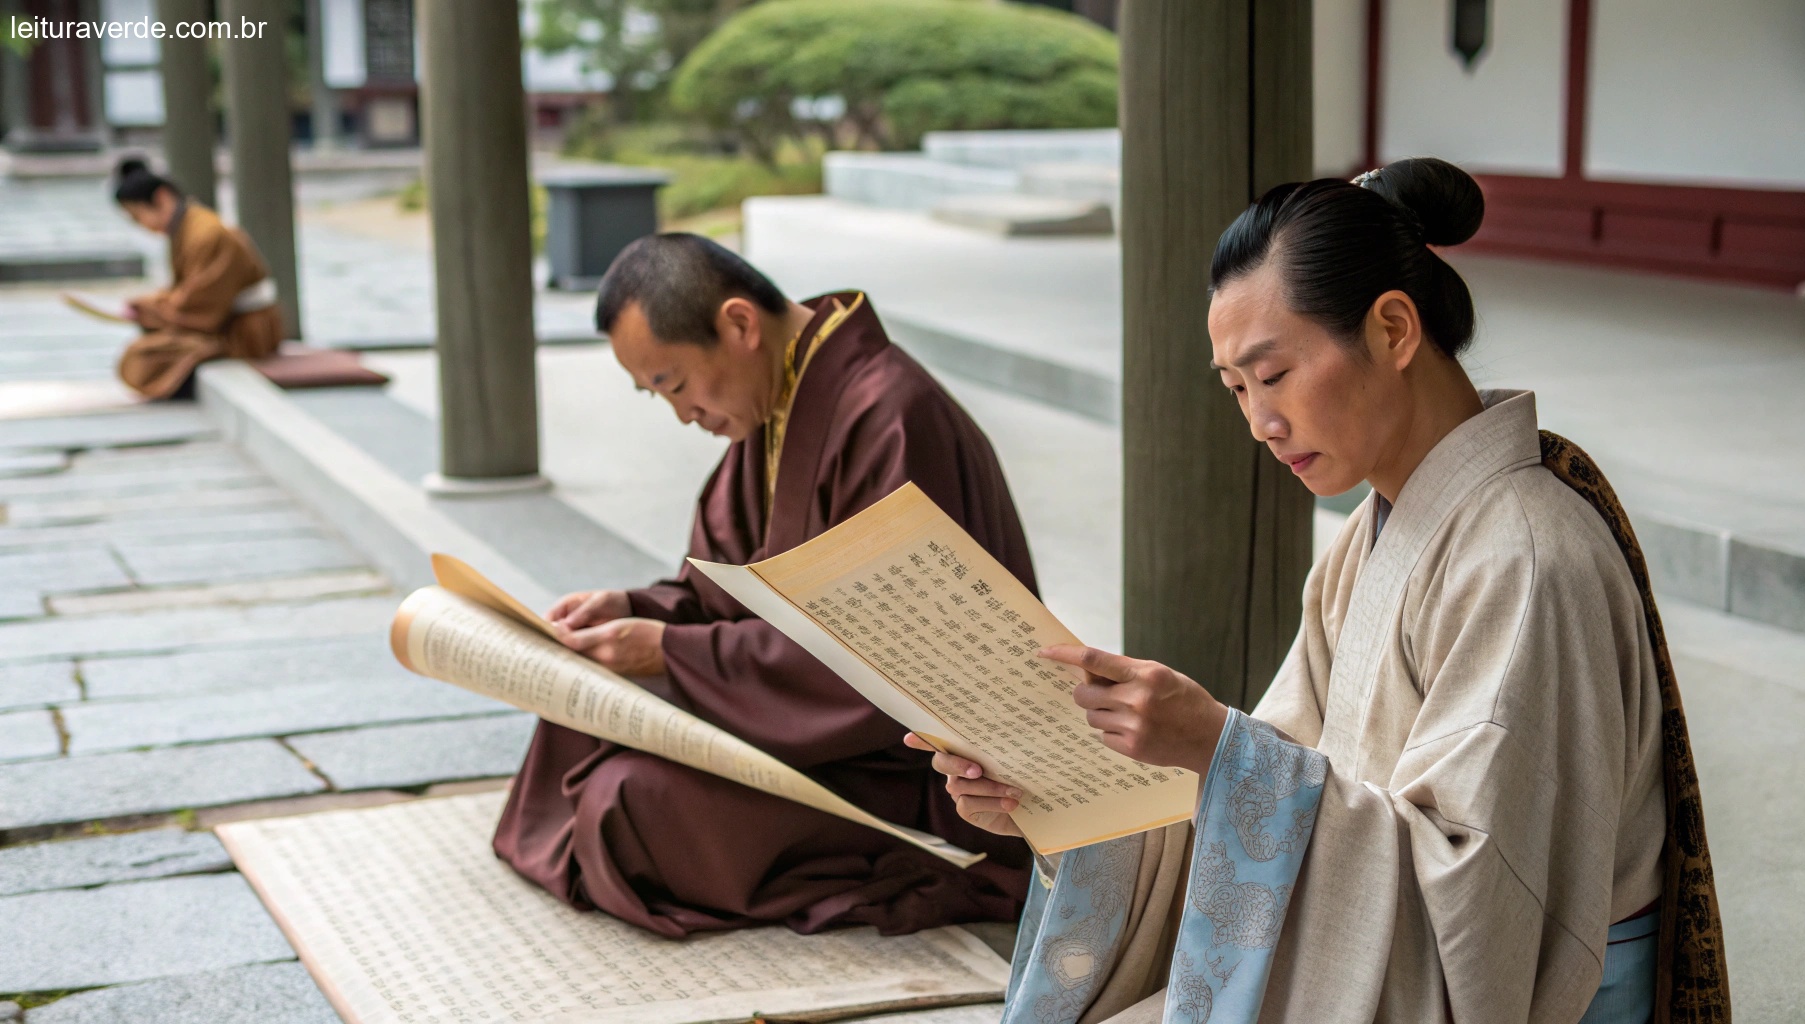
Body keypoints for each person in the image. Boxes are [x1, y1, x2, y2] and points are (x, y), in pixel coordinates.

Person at [914, 158, 1728, 1023]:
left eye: (1274, 376)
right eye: (1235, 390)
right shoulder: (1369, 536)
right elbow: (1283, 791)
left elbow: (1478, 908)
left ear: (1392, 330)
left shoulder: (1525, 558)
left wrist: (1219, 744)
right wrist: (1063, 797)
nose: (1260, 423)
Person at [494, 233, 1034, 937]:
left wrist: (671, 654)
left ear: (740, 325)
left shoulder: (889, 415)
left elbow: (884, 662)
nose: (683, 414)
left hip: (910, 768)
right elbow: (722, 591)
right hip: (791, 709)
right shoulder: (774, 403)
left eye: (675, 383)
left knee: (627, 800)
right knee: (578, 712)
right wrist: (635, 610)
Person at [109, 158, 283, 399]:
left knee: (142, 356)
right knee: (146, 350)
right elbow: (188, 292)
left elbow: (197, 306)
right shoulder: (188, 227)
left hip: (244, 332)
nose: (142, 226)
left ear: (160, 198)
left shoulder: (206, 233)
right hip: (225, 321)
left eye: (138, 216)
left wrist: (148, 308)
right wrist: (150, 305)